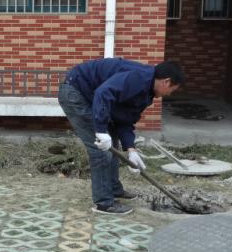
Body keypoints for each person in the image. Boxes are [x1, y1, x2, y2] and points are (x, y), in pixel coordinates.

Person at [58, 58, 185, 215]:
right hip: (76, 92)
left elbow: (125, 119)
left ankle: (114, 189)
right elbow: (103, 93)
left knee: (112, 142)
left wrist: (131, 150)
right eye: (172, 90)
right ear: (166, 82)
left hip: (90, 95)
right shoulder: (138, 78)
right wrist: (100, 131)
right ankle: (104, 203)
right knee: (100, 150)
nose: (170, 94)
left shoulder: (146, 92)